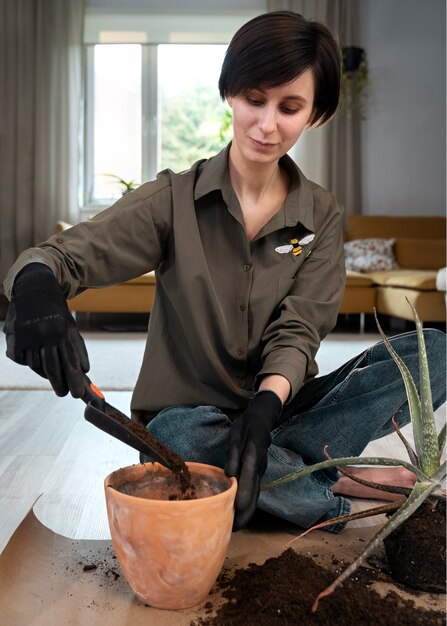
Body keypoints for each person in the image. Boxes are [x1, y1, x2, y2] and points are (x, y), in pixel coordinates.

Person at [3, 11, 445, 532]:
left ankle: (268, 470)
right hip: (187, 418)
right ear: (229, 93)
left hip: (282, 407)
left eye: (290, 107)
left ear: (315, 115)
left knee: (434, 351)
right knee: (182, 442)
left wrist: (264, 410)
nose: (266, 124)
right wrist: (36, 290)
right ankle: (335, 486)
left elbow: (300, 330)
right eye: (254, 99)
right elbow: (58, 258)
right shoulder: (171, 200)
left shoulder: (321, 215)